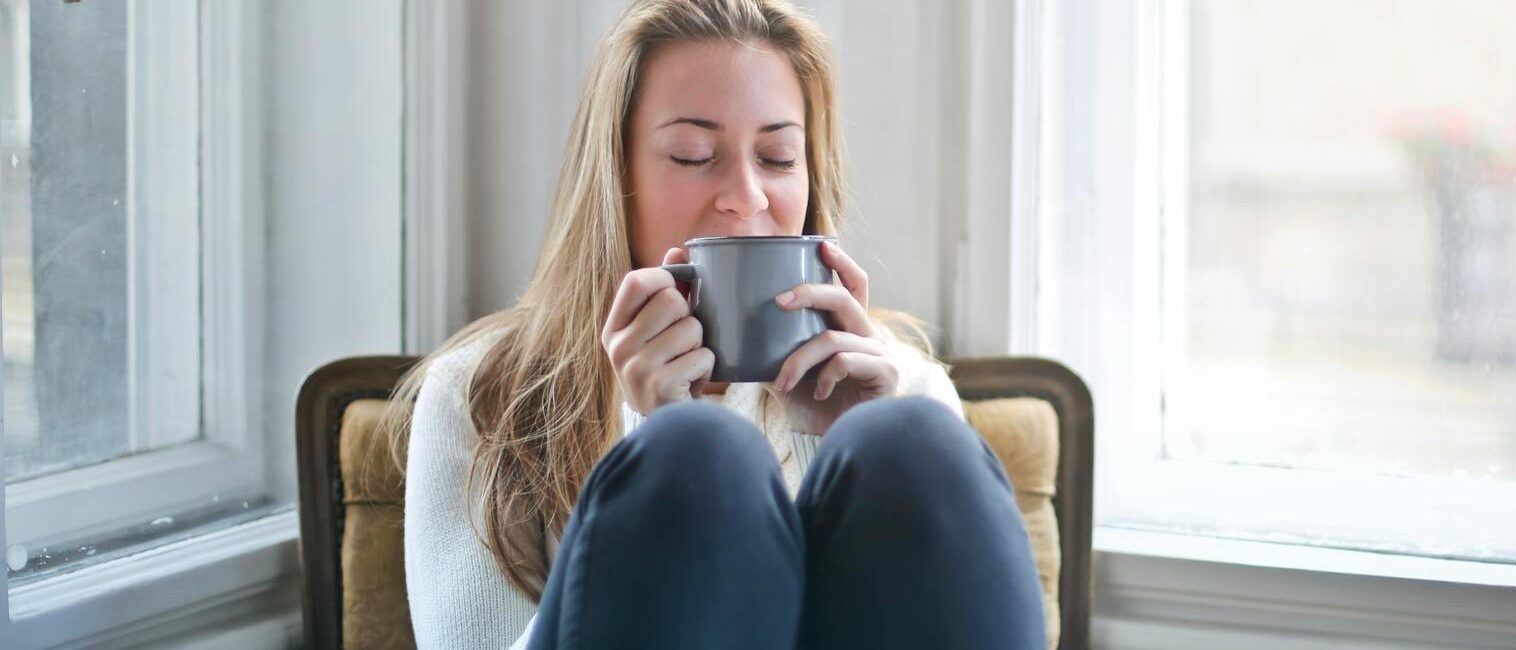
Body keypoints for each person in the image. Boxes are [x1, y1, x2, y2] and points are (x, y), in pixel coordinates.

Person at [382, 0, 1046, 648]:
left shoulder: (904, 382)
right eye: (695, 155)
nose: (747, 197)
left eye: (780, 158)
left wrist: (839, 437)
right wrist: (652, 433)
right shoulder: (481, 393)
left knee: (911, 435)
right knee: (699, 453)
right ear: (615, 177)